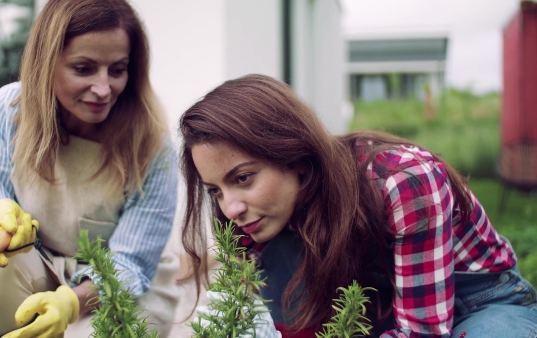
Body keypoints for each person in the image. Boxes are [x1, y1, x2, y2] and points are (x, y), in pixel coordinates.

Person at [179, 74, 537, 337]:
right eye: (215, 190)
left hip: (478, 303)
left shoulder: (404, 180)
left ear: (294, 155)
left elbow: (422, 333)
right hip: (376, 308)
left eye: (243, 178)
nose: (230, 208)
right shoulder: (250, 217)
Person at [0, 0, 180, 337]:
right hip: (39, 262)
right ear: (47, 62)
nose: (104, 89)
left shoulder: (151, 143)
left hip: (122, 286)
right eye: (83, 68)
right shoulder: (9, 110)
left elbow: (131, 263)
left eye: (118, 69)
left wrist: (72, 303)